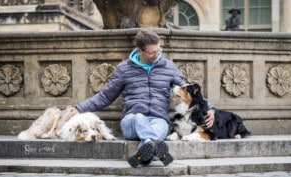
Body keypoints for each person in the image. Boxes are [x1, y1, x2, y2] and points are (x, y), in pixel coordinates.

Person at [66, 29, 215, 168]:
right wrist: (79, 108)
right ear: (140, 51)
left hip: (159, 120)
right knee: (138, 117)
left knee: (155, 131)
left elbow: (190, 90)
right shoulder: (124, 69)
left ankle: (145, 151)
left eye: (158, 50)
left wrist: (210, 109)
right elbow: (105, 96)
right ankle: (155, 148)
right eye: (152, 53)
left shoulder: (168, 67)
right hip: (131, 120)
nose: (157, 55)